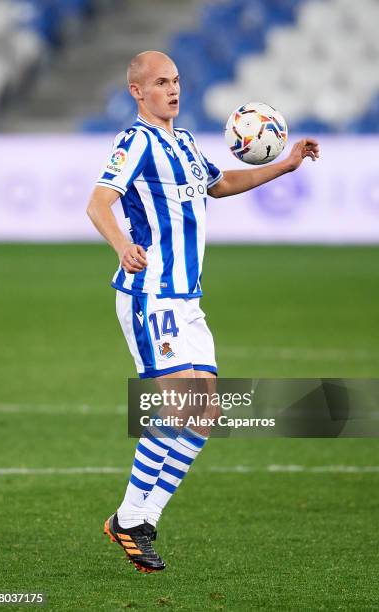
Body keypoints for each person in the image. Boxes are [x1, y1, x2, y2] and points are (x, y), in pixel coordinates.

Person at [87, 50, 320, 573]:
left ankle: (134, 520)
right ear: (137, 92)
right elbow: (98, 202)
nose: (172, 90)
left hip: (187, 299)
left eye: (176, 80)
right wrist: (123, 245)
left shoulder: (186, 143)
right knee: (177, 407)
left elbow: (220, 185)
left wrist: (285, 165)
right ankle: (132, 521)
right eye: (161, 82)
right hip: (150, 294)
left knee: (205, 416)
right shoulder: (135, 143)